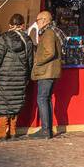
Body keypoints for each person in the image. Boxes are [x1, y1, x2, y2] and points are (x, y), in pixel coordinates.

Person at [0, 13, 32, 141]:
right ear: (22, 25)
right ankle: (13, 130)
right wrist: (27, 76)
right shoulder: (27, 39)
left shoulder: (4, 38)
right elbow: (30, 60)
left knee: (3, 102)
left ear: (10, 25)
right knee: (15, 100)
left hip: (4, 76)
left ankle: (3, 131)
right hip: (20, 76)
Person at [29, 10, 62, 140]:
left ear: (44, 20)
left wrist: (37, 60)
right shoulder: (51, 32)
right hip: (50, 72)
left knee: (42, 99)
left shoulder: (48, 33)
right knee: (46, 99)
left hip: (46, 72)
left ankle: (45, 130)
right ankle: (46, 129)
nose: (36, 23)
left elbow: (49, 52)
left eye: (37, 20)